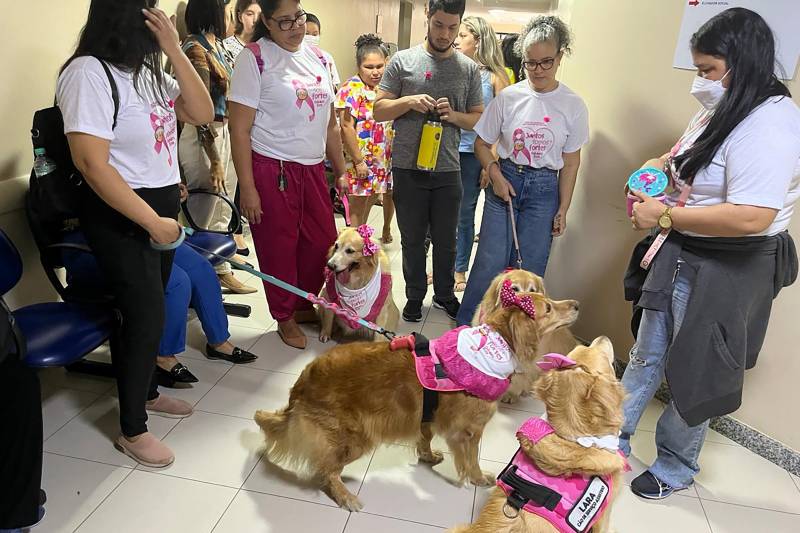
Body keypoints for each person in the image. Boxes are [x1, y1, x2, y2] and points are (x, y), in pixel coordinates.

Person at [623, 7, 800, 500]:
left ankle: (675, 467)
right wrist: (654, 168)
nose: (700, 82)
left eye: (707, 70)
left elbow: (751, 216)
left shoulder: (771, 124)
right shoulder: (724, 105)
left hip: (728, 265)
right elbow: (685, 154)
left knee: (696, 369)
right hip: (681, 250)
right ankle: (606, 440)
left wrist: (663, 216)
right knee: (647, 354)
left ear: (742, 64)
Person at [57, 0, 214, 467]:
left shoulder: (146, 72)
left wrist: (173, 48)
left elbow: (202, 111)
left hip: (160, 213)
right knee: (143, 313)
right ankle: (131, 429)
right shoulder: (87, 73)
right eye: (151, 14)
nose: (158, 21)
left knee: (153, 305)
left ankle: (145, 393)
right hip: (121, 215)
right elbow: (91, 164)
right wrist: (151, 220)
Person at [229, 0, 348, 349]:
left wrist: (340, 170)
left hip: (312, 167)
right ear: (265, 21)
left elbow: (330, 124)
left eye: (298, 17)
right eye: (284, 22)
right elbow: (239, 130)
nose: (296, 27)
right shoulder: (254, 58)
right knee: (278, 246)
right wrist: (247, 187)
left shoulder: (321, 58)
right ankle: (284, 316)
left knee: (320, 241)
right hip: (272, 167)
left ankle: (302, 302)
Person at [455, 15, 588, 326]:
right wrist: (494, 171)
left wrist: (563, 208)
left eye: (546, 62)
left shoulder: (573, 105)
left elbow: (571, 162)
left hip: (545, 190)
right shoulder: (510, 97)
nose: (538, 70)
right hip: (506, 181)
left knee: (529, 270)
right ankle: (467, 331)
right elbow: (481, 144)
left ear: (560, 56)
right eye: (530, 63)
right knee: (488, 264)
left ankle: (516, 336)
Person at [374, 0, 484, 323]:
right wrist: (407, 101)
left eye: (452, 27)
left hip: (449, 168)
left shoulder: (468, 69)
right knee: (411, 238)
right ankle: (414, 296)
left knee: (446, 240)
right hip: (408, 167)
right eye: (438, 25)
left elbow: (476, 118)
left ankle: (446, 295)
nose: (444, 33)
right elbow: (378, 110)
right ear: (428, 16)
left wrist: (455, 115)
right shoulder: (402, 61)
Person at [179, 0, 256, 294]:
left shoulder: (219, 46)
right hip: (204, 136)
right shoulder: (194, 49)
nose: (232, 19)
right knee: (204, 210)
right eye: (227, 14)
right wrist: (215, 160)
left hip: (225, 130)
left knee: (224, 206)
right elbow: (198, 111)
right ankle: (201, 279)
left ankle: (221, 268)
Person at [453, 16, 509, 292]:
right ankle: (454, 267)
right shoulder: (459, 70)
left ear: (479, 40)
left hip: (479, 154)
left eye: (463, 35)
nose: (457, 39)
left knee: (468, 214)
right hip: (454, 150)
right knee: (453, 213)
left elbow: (505, 123)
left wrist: (492, 163)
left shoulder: (496, 76)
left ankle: (461, 272)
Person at [335, 34, 395, 238]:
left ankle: (362, 241)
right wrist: (359, 162)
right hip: (359, 160)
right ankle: (353, 249)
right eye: (369, 67)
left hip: (381, 159)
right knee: (356, 208)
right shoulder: (351, 88)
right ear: (358, 65)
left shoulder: (383, 88)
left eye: (379, 66)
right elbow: (346, 126)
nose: (376, 71)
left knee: (371, 199)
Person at [223, 0, 262, 257]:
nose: (254, 19)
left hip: (260, 123)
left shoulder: (265, 49)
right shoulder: (228, 47)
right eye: (250, 13)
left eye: (260, 14)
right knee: (233, 181)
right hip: (231, 119)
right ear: (239, 15)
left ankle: (241, 227)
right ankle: (233, 231)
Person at [304, 13, 341, 91]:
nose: (311, 37)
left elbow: (334, 89)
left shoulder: (326, 57)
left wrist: (329, 78)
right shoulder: (295, 56)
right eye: (306, 34)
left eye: (315, 34)